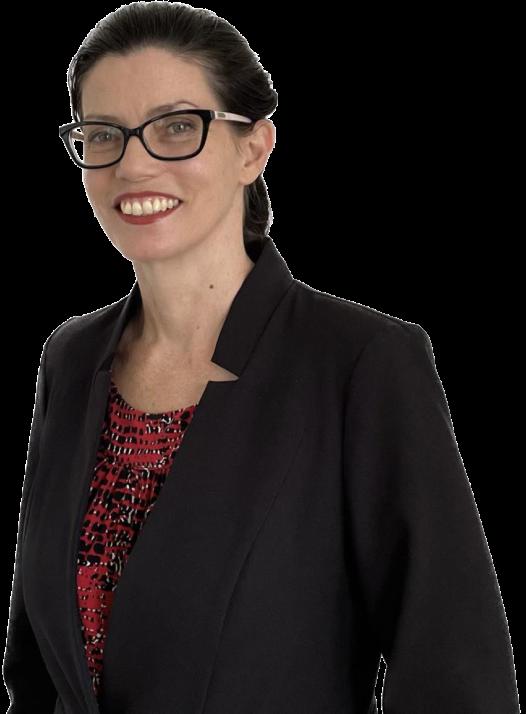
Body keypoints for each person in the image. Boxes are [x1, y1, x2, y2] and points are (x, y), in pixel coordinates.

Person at [4, 3, 519, 713]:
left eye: (176, 127)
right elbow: (36, 673)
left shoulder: (360, 364)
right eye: (103, 135)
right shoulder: (71, 359)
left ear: (253, 148)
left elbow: (456, 677)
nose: (133, 164)